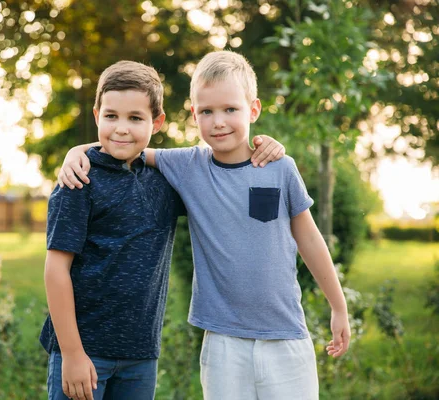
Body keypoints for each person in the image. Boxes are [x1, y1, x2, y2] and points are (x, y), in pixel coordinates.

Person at [59, 50, 351, 400]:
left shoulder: (279, 167)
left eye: (231, 109)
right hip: (223, 341)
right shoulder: (186, 165)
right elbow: (125, 144)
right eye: (207, 112)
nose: (219, 122)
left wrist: (338, 306)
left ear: (253, 110)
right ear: (194, 114)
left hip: (286, 337)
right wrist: (77, 150)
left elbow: (309, 238)